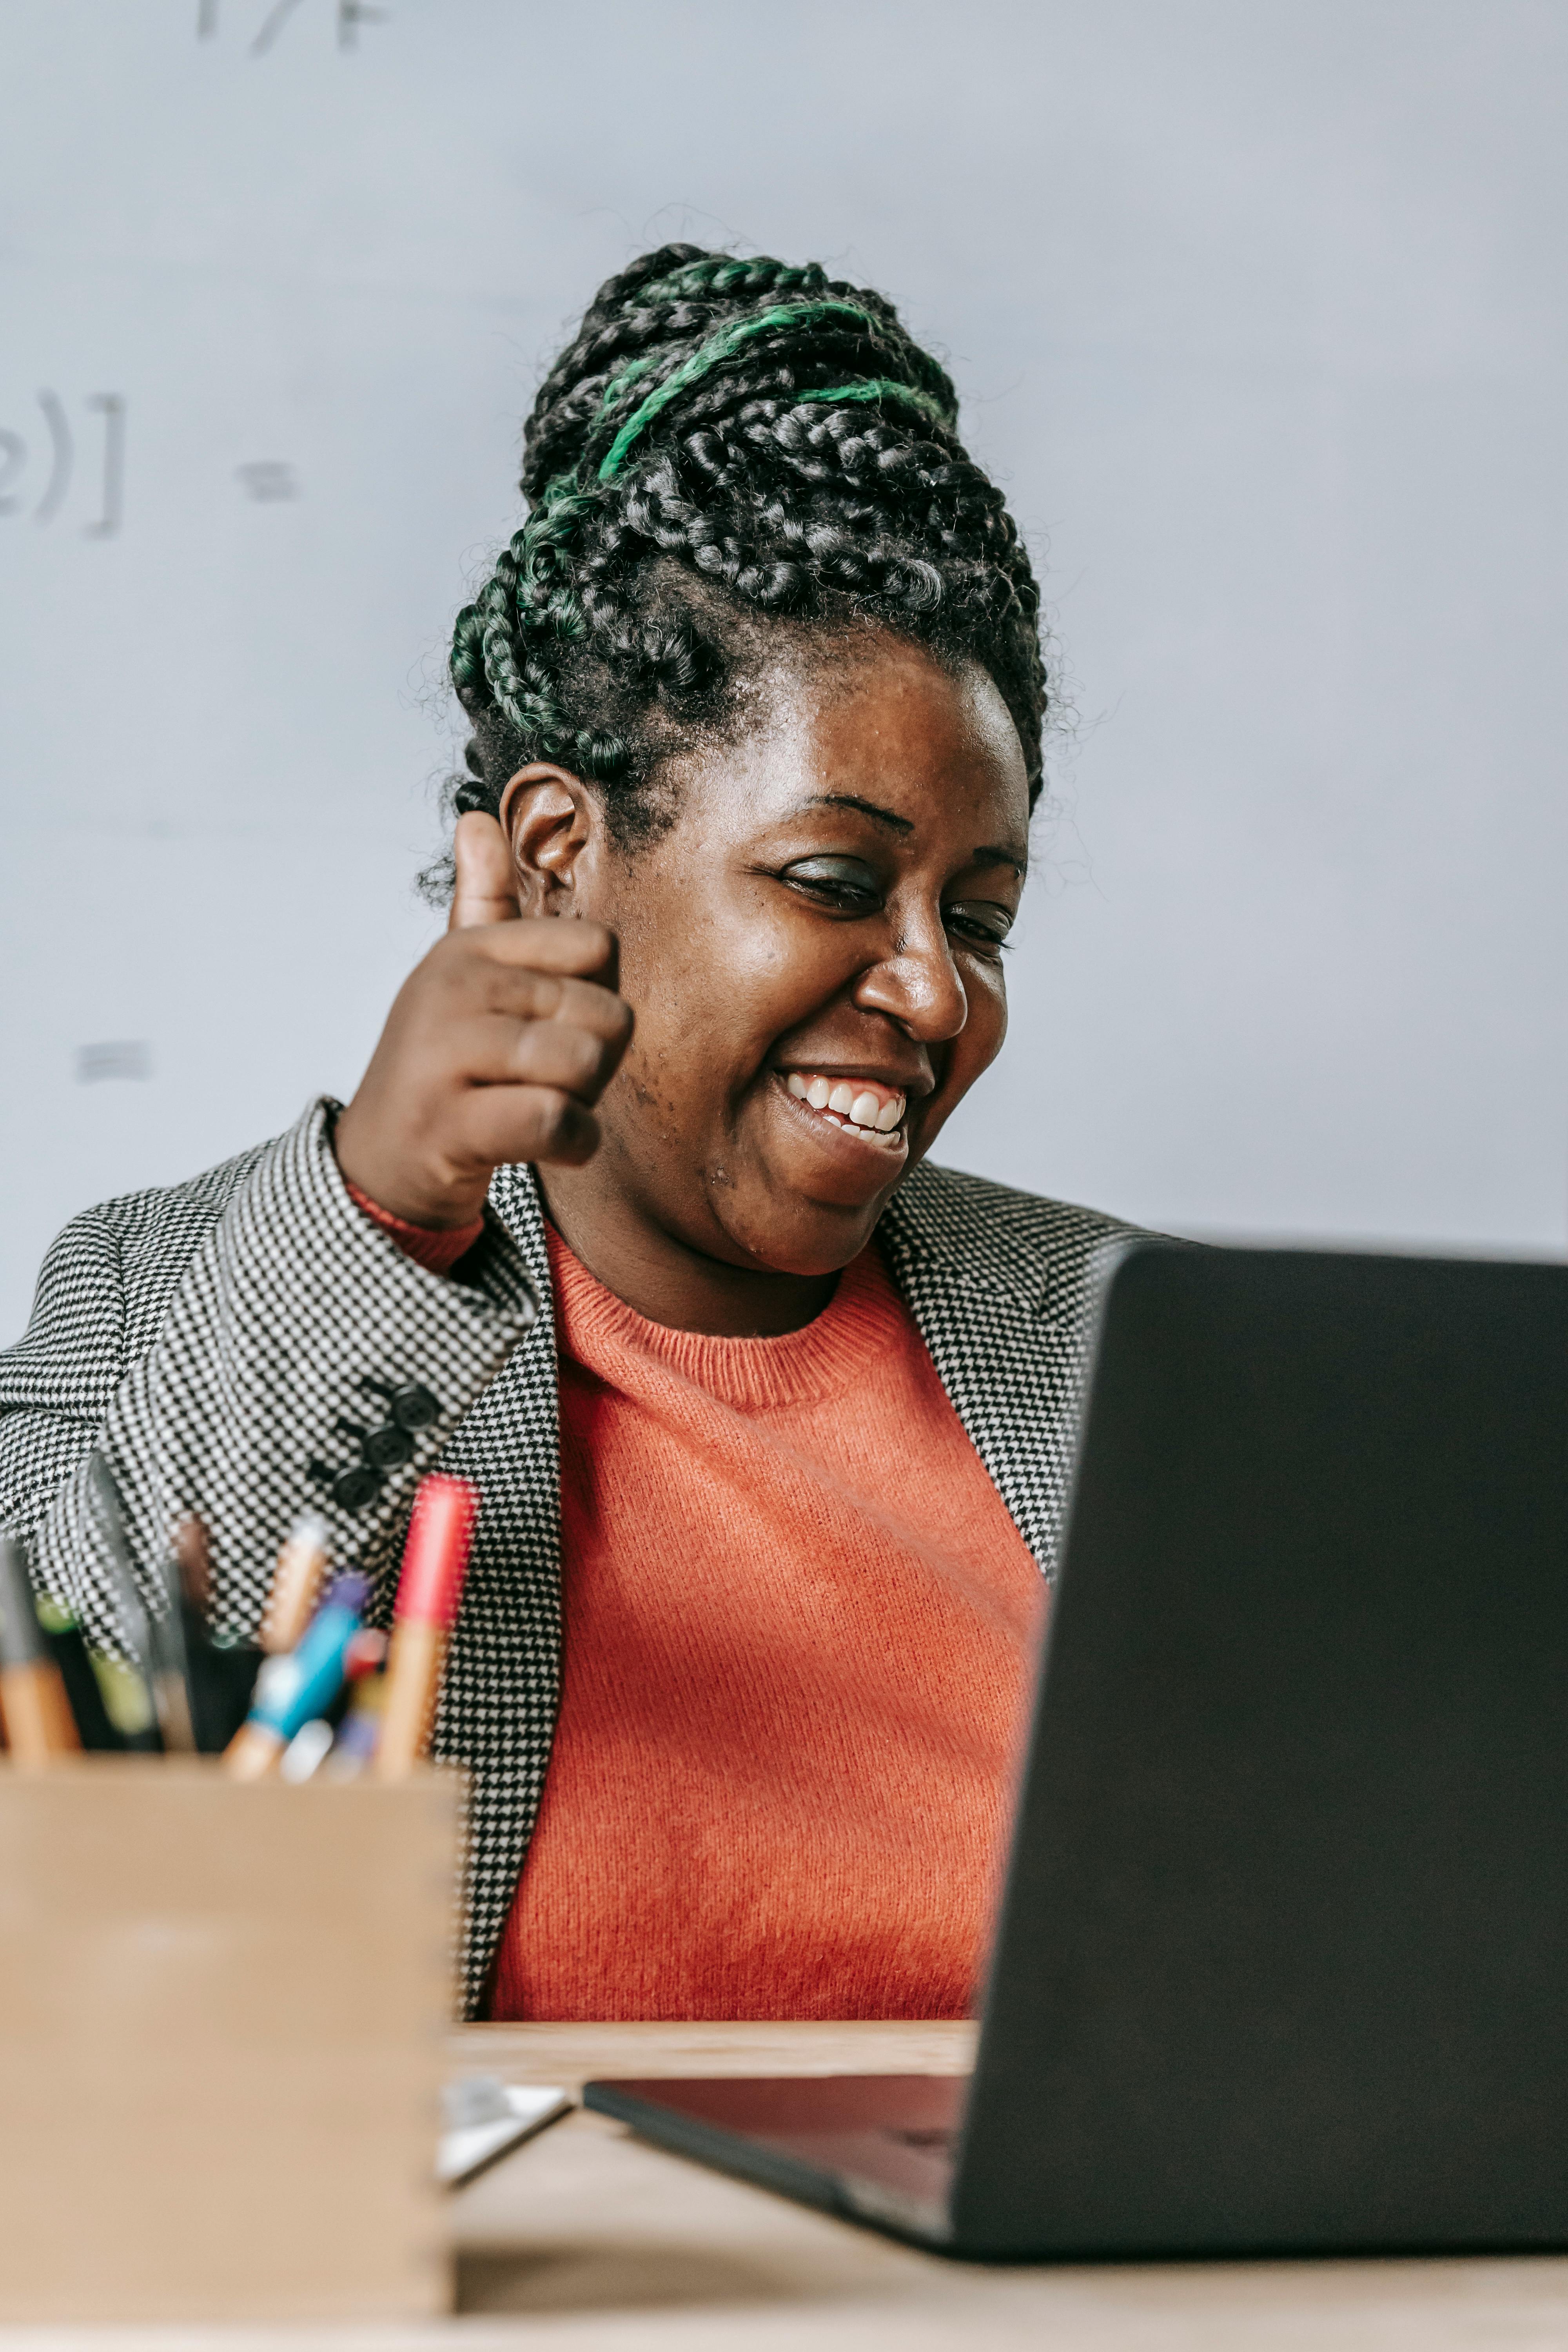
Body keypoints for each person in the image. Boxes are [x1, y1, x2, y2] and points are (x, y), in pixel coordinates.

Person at [0, 246, 1137, 2020]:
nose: (932, 993)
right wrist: (371, 1217)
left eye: (977, 917)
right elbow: (51, 1783)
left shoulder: (1129, 1340)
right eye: (836, 882)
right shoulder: (173, 1294)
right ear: (552, 861)